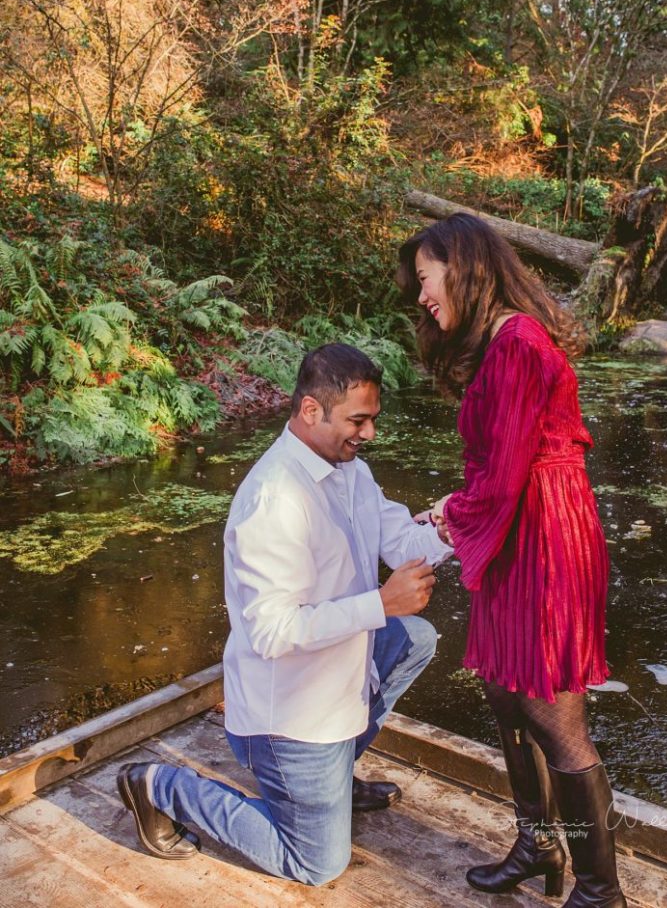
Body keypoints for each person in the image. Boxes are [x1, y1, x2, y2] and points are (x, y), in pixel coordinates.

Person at [117, 342, 452, 885]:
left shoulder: (349, 471)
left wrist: (446, 530)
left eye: (372, 421)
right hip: (290, 718)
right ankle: (160, 786)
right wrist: (380, 602)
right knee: (317, 865)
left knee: (412, 637)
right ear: (311, 411)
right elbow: (271, 631)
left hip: (338, 683)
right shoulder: (273, 500)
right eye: (359, 421)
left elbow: (398, 538)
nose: (369, 434)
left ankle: (335, 775)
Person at [397, 213, 627, 908]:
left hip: (546, 537)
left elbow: (502, 478)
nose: (420, 295)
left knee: (553, 715)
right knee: (503, 689)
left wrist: (446, 514)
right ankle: (539, 844)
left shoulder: (519, 345)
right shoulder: (499, 342)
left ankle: (599, 891)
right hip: (519, 530)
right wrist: (462, 507)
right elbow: (498, 469)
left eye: (425, 278)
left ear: (462, 265)